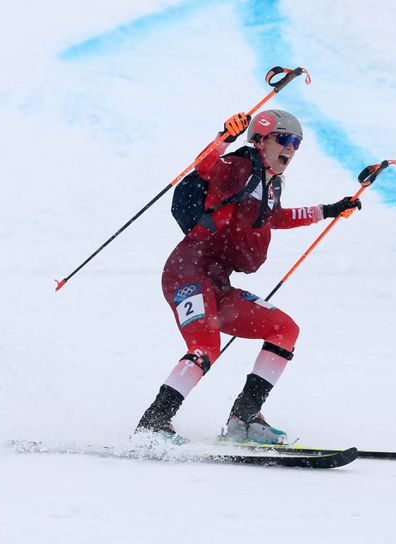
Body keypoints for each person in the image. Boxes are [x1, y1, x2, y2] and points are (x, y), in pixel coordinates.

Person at [135, 110, 362, 444]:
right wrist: (224, 138)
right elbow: (204, 167)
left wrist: (326, 211)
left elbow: (277, 218)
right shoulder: (238, 167)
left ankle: (244, 418)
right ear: (260, 139)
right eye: (283, 139)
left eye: (296, 143)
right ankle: (153, 424)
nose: (291, 148)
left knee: (284, 329)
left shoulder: (268, 187)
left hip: (218, 283)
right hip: (187, 272)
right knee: (204, 347)